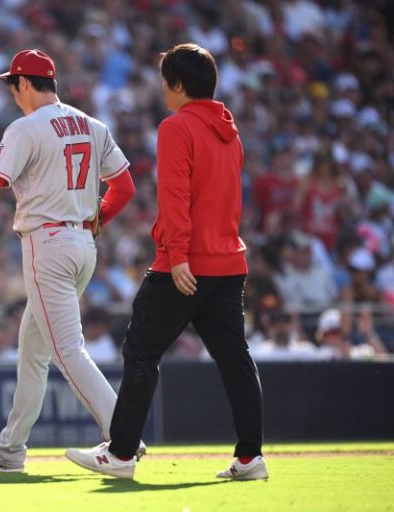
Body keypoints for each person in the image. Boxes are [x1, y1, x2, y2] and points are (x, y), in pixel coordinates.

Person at [66, 44, 268, 480]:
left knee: (140, 350)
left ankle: (120, 453)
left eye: (165, 81)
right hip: (228, 262)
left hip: (186, 263)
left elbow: (175, 196)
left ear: (178, 85)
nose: (162, 89)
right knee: (236, 359)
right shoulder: (231, 133)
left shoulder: (177, 127)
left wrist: (177, 256)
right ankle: (250, 456)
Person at [0, 49, 139, 473]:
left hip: (48, 244)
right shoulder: (93, 124)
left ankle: (124, 439)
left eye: (13, 85)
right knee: (32, 348)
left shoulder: (26, 127)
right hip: (83, 244)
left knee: (67, 350)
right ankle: (11, 450)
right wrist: (96, 220)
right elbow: (124, 187)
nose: (12, 93)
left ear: (25, 84)